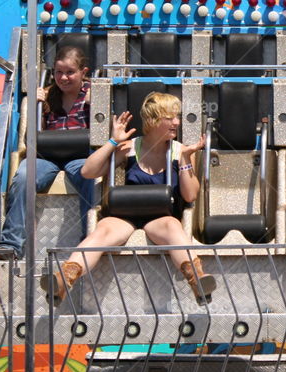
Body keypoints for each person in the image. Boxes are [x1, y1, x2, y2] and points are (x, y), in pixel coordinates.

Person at [41, 92, 214, 305]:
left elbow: (190, 195)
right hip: (126, 216)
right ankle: (63, 280)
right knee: (102, 230)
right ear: (153, 120)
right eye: (170, 117)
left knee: (172, 226)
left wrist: (186, 159)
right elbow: (88, 171)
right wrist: (113, 142)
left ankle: (197, 280)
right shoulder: (130, 147)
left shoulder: (181, 151)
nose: (176, 122)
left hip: (161, 218)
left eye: (177, 117)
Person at [0, 46, 96, 260]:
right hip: (48, 157)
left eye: (70, 72)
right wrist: (35, 106)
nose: (64, 77)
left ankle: (88, 241)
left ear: (83, 72)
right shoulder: (49, 95)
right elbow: (34, 134)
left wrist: (96, 106)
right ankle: (11, 245)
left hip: (80, 156)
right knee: (23, 177)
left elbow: (102, 133)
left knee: (90, 176)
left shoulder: (93, 94)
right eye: (59, 72)